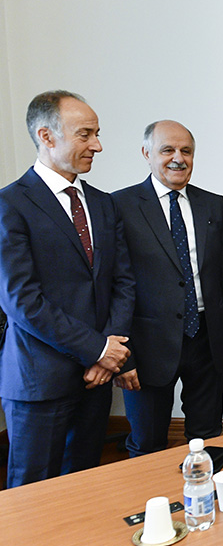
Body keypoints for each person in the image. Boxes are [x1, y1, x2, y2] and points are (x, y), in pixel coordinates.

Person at [0, 90, 134, 488]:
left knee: (83, 490)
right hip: (39, 382)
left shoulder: (104, 204)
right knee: (32, 496)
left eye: (97, 134)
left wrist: (108, 352)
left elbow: (123, 282)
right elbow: (21, 301)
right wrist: (97, 349)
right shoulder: (10, 205)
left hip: (97, 379)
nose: (97, 145)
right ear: (47, 135)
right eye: (85, 134)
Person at [113, 120, 223, 456]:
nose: (178, 158)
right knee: (148, 442)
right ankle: (150, 506)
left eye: (186, 151)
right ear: (147, 154)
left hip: (207, 339)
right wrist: (122, 358)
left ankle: (202, 504)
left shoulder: (213, 205)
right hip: (146, 346)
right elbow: (114, 286)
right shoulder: (119, 206)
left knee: (207, 438)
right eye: (167, 150)